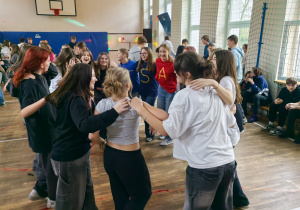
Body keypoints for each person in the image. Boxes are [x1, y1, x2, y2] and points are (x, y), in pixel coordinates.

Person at [129, 52, 237, 210]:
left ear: (186, 74)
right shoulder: (213, 92)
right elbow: (172, 117)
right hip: (228, 162)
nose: (173, 73)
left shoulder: (184, 96)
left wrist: (141, 111)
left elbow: (167, 131)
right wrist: (145, 105)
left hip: (205, 166)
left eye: (176, 70)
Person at [45, 63, 129, 209]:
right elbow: (85, 124)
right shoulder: (74, 98)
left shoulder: (75, 95)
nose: (96, 79)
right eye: (93, 76)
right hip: (70, 157)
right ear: (84, 78)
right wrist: (114, 111)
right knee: (71, 202)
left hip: (77, 153)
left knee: (87, 197)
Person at [189, 49, 250, 208]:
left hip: (229, 127)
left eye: (215, 58)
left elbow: (229, 101)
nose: (211, 59)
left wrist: (213, 84)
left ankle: (236, 199)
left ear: (223, 61)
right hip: (227, 124)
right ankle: (240, 199)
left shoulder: (225, 80)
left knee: (228, 164)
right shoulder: (220, 78)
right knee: (229, 164)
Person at [90, 67, 152, 210]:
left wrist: (102, 142)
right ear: (128, 85)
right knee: (143, 194)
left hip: (110, 156)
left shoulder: (102, 104)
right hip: (130, 158)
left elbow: (93, 136)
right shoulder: (134, 104)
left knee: (121, 199)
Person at [13, 46, 57, 208]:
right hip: (42, 132)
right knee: (50, 167)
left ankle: (39, 189)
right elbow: (24, 112)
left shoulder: (40, 77)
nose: (49, 62)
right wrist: (46, 99)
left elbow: (52, 72)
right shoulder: (29, 82)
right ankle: (52, 198)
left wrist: (48, 54)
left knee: (46, 164)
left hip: (49, 128)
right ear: (39, 62)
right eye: (46, 60)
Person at [155, 43, 177, 145]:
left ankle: (169, 137)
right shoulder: (157, 61)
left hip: (170, 90)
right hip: (161, 89)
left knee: (168, 115)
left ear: (168, 52)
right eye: (160, 51)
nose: (162, 53)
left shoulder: (173, 62)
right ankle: (164, 133)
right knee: (160, 112)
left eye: (164, 51)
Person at [136, 47, 158, 141]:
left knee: (148, 113)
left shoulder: (154, 65)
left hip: (152, 92)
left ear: (149, 54)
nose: (143, 55)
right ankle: (148, 133)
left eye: (145, 53)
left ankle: (150, 135)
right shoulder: (140, 64)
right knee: (145, 113)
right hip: (143, 92)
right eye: (141, 53)